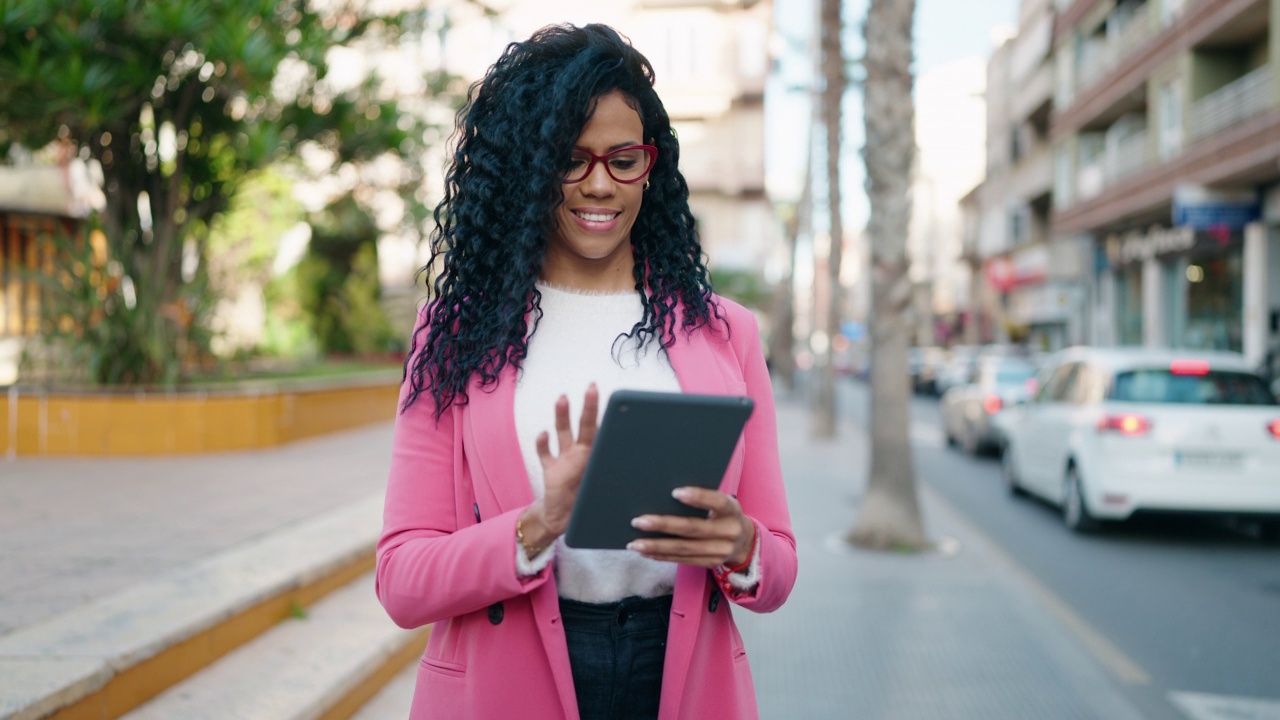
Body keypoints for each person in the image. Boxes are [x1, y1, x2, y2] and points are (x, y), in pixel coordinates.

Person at [376, 23, 797, 720]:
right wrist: (538, 524)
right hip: (509, 680)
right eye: (571, 160)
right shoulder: (454, 334)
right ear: (529, 168)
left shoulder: (727, 334)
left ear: (649, 164)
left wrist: (742, 545)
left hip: (680, 674)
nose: (600, 185)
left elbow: (779, 567)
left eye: (623, 159)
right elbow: (401, 581)